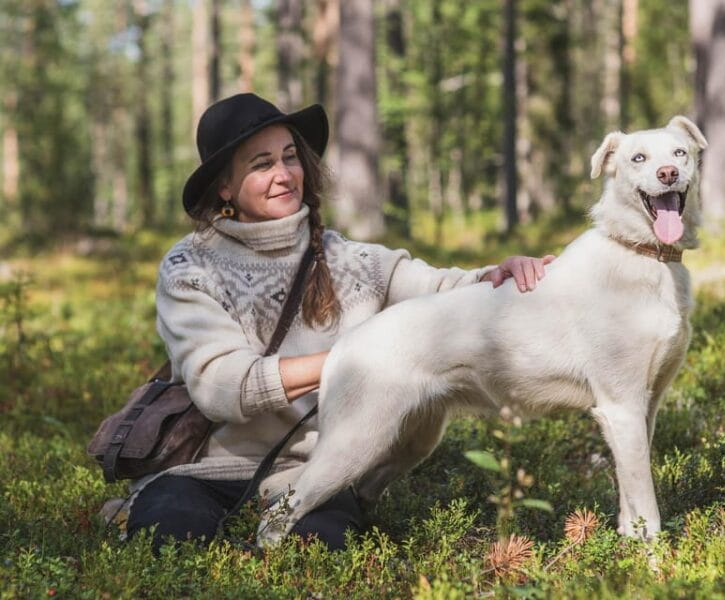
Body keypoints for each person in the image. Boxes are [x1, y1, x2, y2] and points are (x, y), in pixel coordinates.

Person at [124, 93, 554, 553]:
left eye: (291, 157)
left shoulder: (353, 260)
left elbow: (445, 290)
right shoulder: (192, 267)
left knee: (321, 549)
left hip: (313, 475)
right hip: (203, 473)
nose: (284, 174)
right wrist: (358, 358)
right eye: (261, 164)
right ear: (225, 187)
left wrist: (496, 276)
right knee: (168, 541)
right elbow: (220, 387)